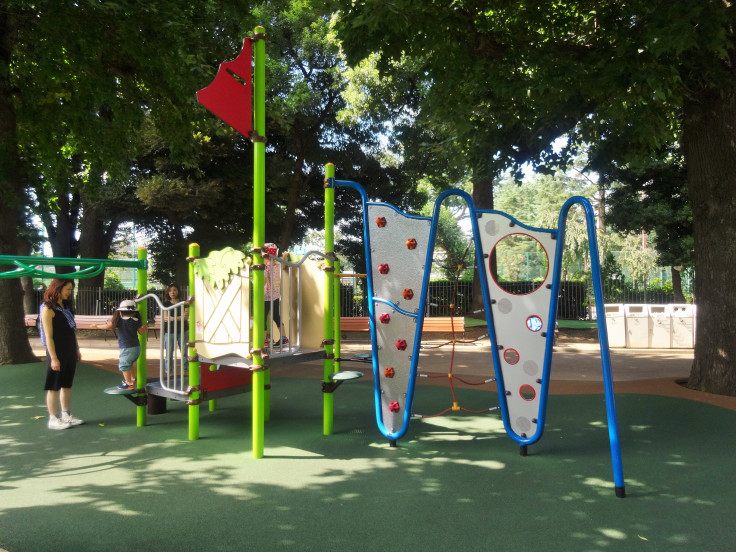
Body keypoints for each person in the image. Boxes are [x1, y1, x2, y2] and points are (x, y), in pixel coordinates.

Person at [40, 278, 83, 430]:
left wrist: (76, 349)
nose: (69, 293)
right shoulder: (48, 309)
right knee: (54, 385)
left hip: (69, 350)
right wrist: (53, 358)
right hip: (57, 352)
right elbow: (49, 336)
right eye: (68, 289)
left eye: (71, 289)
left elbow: (71, 331)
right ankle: (53, 418)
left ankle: (66, 415)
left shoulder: (65, 307)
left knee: (66, 384)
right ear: (58, 288)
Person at [96, 300, 147, 389]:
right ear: (134, 312)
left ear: (120, 312)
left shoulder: (119, 321)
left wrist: (96, 326)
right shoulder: (137, 320)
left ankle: (128, 383)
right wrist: (144, 327)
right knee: (129, 363)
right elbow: (141, 332)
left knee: (124, 365)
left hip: (127, 348)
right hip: (136, 348)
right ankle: (132, 379)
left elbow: (108, 326)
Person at [263, 243, 288, 345]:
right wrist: (285, 256)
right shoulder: (277, 264)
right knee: (276, 317)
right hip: (275, 294)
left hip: (266, 295)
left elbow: (264, 281)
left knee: (262, 316)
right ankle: (284, 338)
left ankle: (263, 340)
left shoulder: (265, 266)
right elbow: (284, 266)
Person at [163, 284, 189, 374]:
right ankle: (168, 370)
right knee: (169, 353)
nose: (172, 292)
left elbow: (185, 317)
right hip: (170, 331)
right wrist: (179, 317)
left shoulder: (184, 303)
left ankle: (185, 369)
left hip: (183, 330)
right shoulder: (166, 304)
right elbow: (166, 318)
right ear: (168, 293)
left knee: (184, 351)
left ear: (178, 291)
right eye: (170, 290)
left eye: (174, 290)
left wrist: (173, 318)